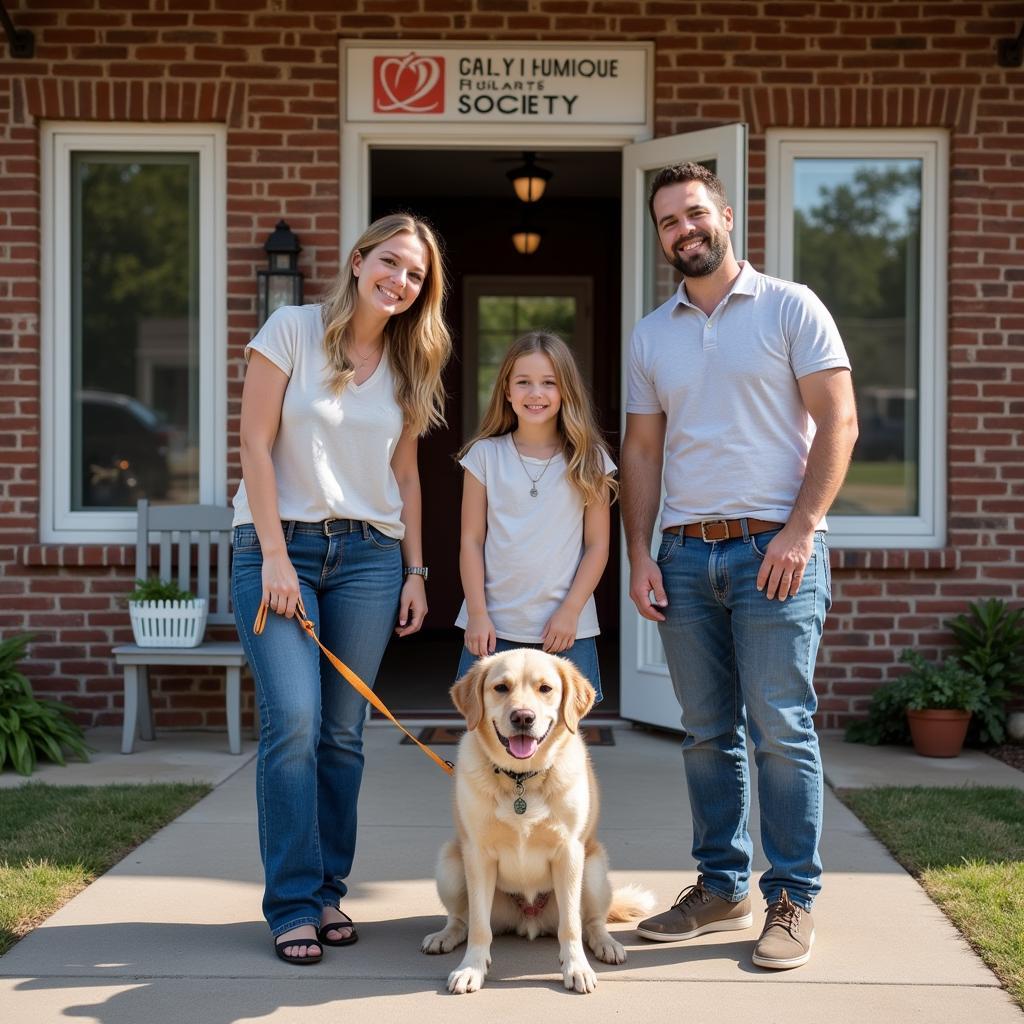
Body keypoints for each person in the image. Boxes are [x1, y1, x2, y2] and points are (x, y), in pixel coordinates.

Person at [621, 162, 858, 969]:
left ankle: (792, 896)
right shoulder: (652, 333)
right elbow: (643, 449)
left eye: (693, 214)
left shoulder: (792, 307)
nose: (683, 230)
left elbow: (840, 423)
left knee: (781, 728)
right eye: (667, 222)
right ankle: (722, 885)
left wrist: (801, 530)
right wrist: (640, 554)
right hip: (685, 555)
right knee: (703, 733)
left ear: (725, 213)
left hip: (775, 553)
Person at [231, 213, 451, 964]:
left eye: (415, 274)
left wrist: (417, 571)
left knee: (342, 735)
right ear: (359, 261)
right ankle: (290, 901)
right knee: (293, 719)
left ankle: (326, 893)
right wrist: (273, 557)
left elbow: (405, 476)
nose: (400, 280)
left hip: (369, 558)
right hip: (278, 545)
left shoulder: (410, 361)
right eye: (390, 262)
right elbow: (255, 446)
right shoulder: (290, 329)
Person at [455, 331, 616, 701]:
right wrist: (477, 613)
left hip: (564, 627)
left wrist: (571, 610)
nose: (535, 393)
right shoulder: (484, 456)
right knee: (487, 735)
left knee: (562, 742)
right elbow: (471, 540)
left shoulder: (589, 461)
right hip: (493, 625)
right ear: (507, 391)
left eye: (549, 383)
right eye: (523, 382)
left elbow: (597, 546)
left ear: (566, 392)